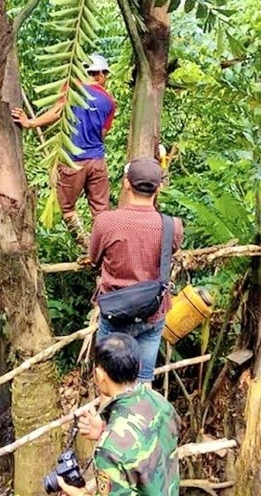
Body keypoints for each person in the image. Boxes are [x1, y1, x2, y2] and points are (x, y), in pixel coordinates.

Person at [89, 158, 183, 385]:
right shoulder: (172, 226)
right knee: (142, 381)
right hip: (152, 312)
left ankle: (110, 419)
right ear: (159, 187)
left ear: (126, 184)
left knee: (109, 381)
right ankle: (140, 419)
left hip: (115, 312)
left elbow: (94, 259)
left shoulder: (106, 223)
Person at [12, 54, 116, 248]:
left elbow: (58, 111)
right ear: (100, 74)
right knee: (101, 211)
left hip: (72, 161)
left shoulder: (72, 88)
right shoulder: (109, 102)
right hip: (97, 161)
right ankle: (104, 249)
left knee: (67, 208)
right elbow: (102, 133)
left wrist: (30, 123)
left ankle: (86, 246)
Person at [57, 333, 180, 495]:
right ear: (138, 365)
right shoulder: (161, 404)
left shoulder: (109, 450)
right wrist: (105, 431)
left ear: (100, 375)